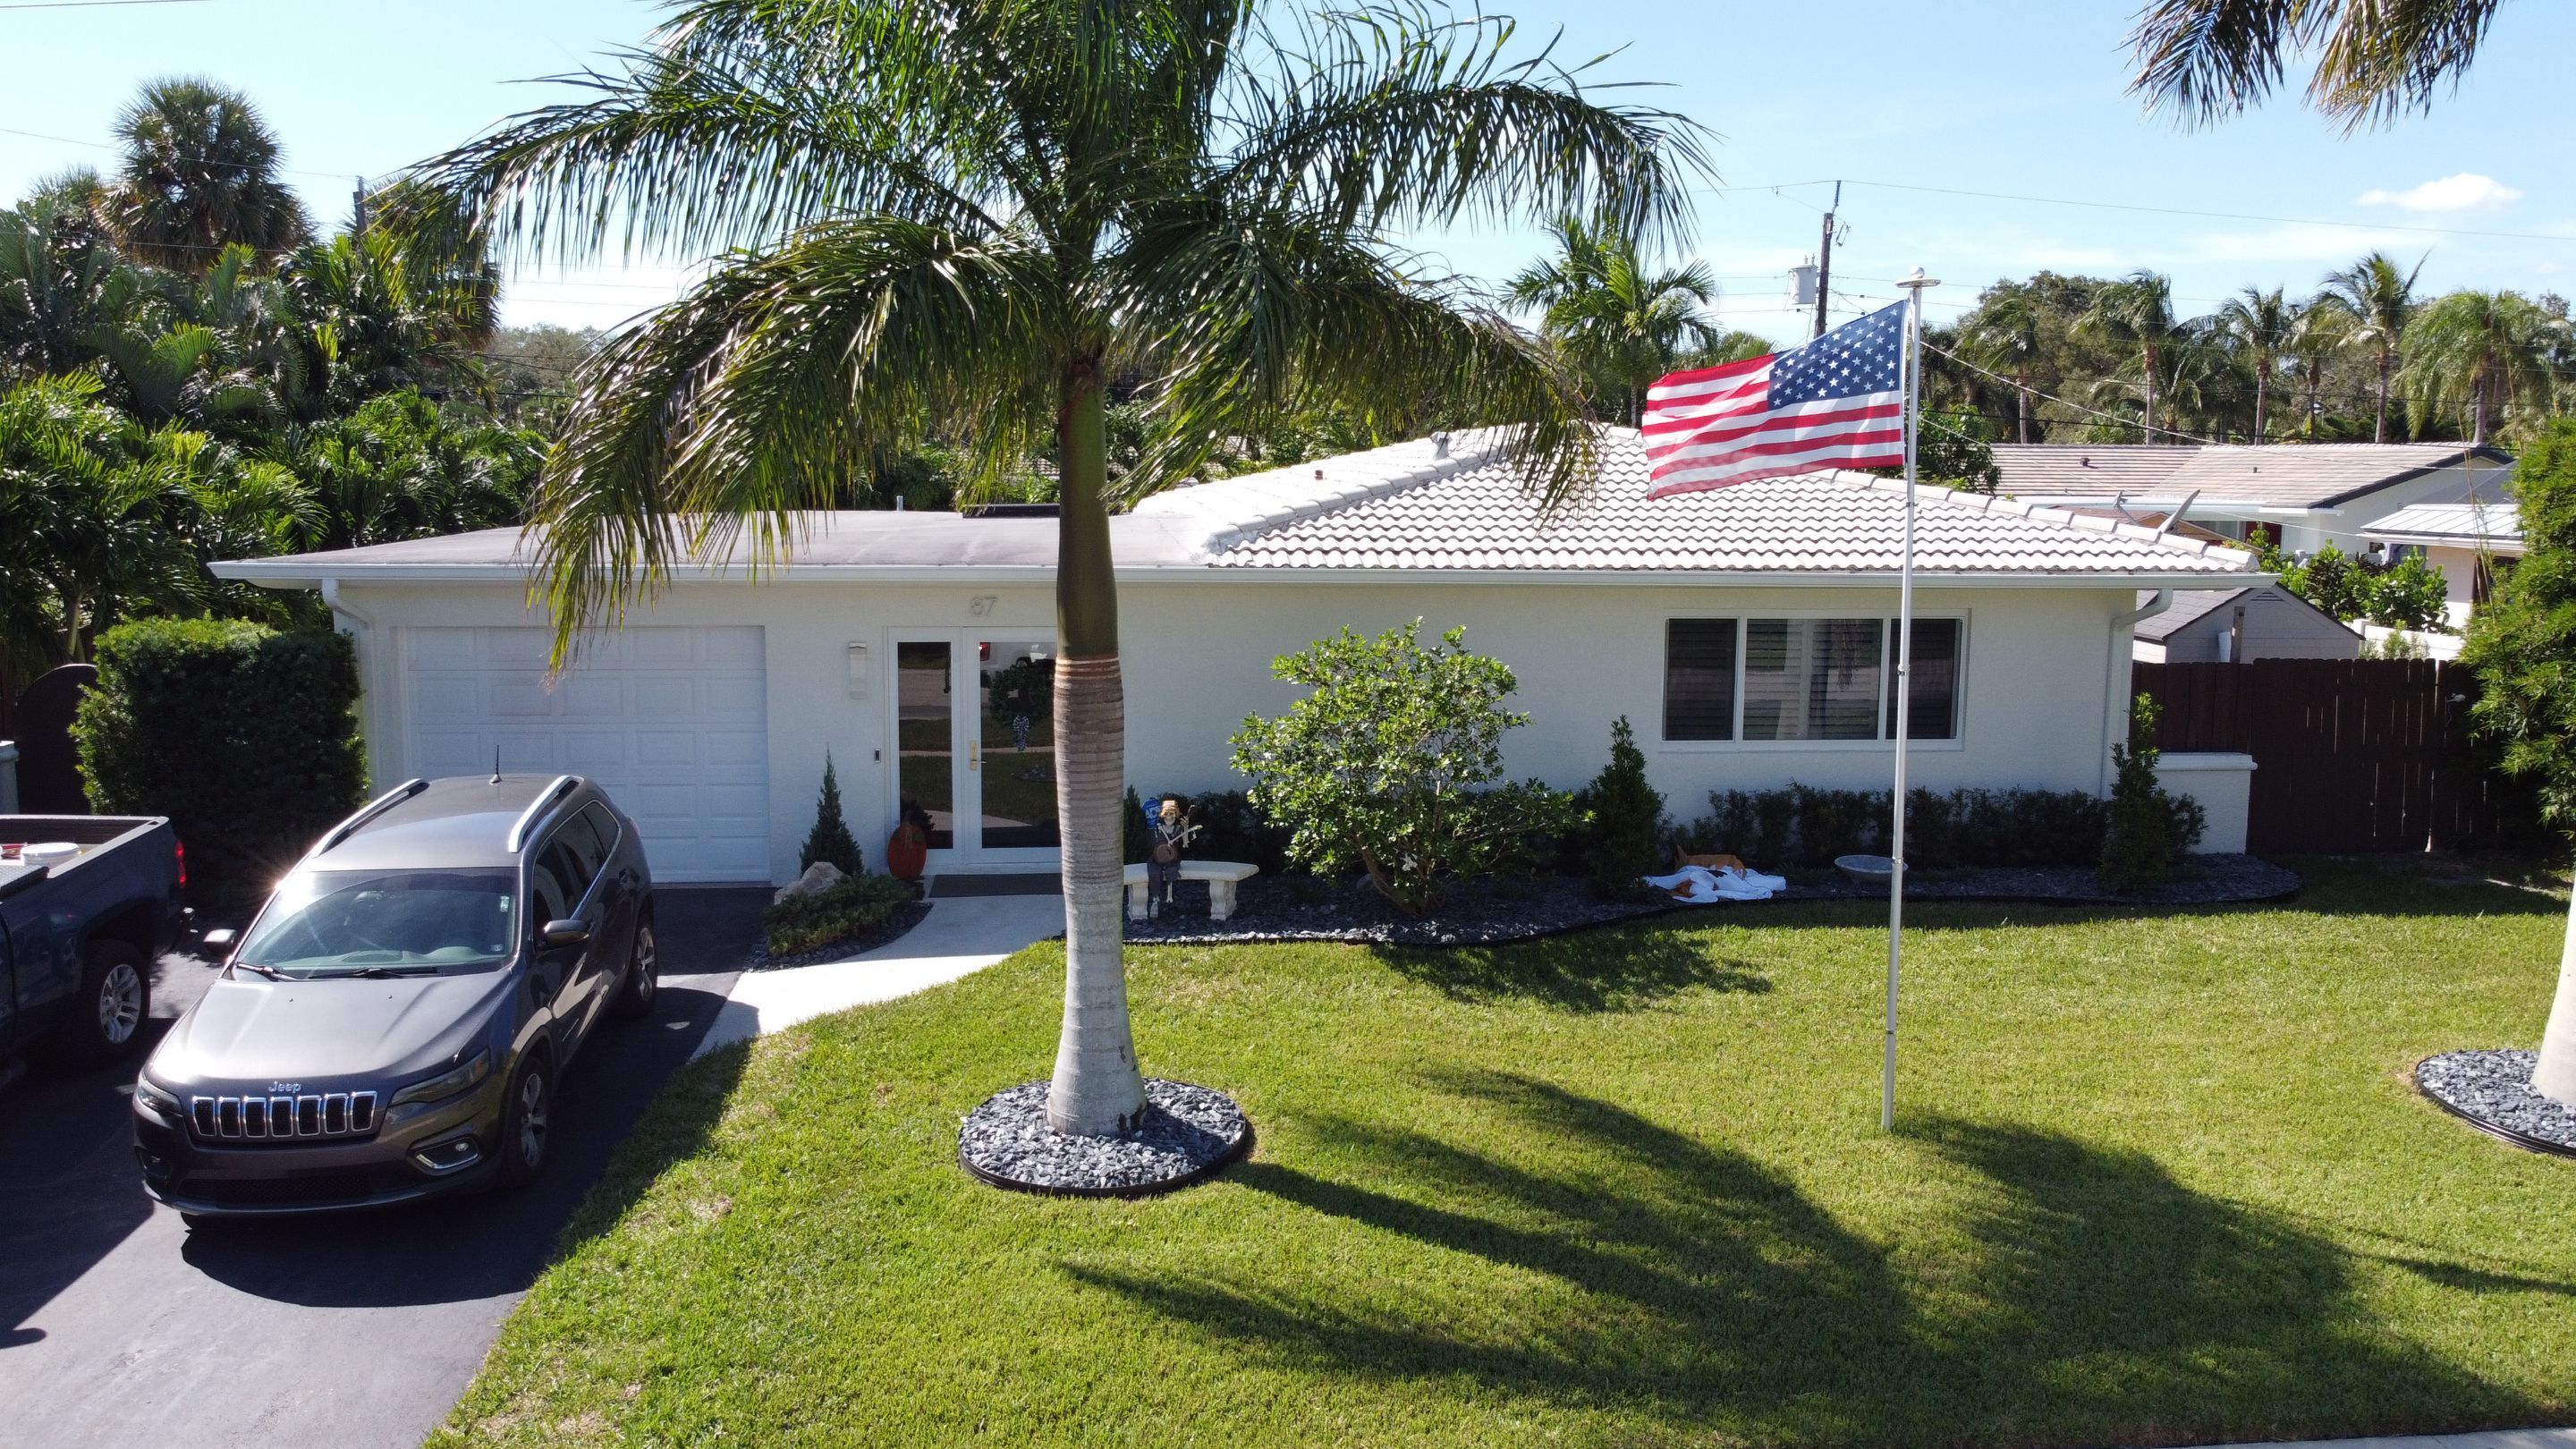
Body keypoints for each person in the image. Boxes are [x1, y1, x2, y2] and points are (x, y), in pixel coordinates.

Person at [1145, 795, 1198, 917]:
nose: (1169, 817)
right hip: (1157, 859)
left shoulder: (1178, 829)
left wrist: (1185, 828)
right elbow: (1152, 844)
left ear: (1176, 815)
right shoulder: (1158, 829)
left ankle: (1173, 902)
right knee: (1154, 872)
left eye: (1172, 814)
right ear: (1163, 815)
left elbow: (1185, 844)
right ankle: (1155, 899)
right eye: (1167, 814)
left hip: (1173, 859)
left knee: (1171, 871)